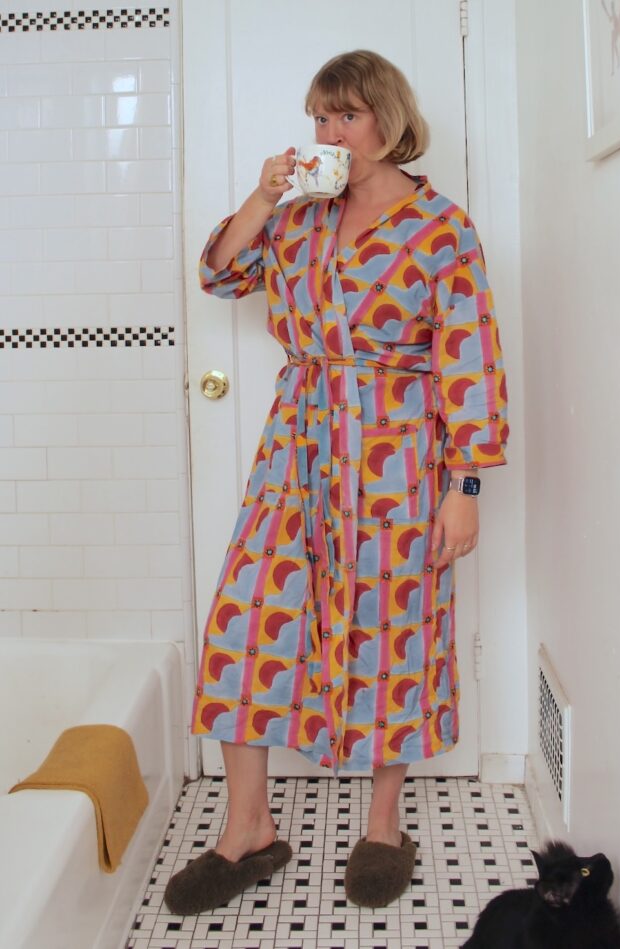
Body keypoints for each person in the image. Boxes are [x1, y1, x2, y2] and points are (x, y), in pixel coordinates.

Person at [165, 49, 509, 916]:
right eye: (320, 117)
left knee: (392, 621)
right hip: (299, 445)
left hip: (398, 451)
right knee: (248, 617)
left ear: (388, 121)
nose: (329, 132)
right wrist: (263, 196)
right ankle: (248, 830)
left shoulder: (442, 228)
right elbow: (220, 275)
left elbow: (470, 358)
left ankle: (383, 826)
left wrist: (464, 483)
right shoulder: (301, 216)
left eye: (346, 116)